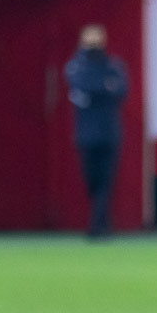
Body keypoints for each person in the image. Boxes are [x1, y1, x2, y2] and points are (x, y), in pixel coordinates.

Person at [64, 24, 127, 238]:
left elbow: (120, 89)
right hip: (86, 134)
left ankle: (96, 226)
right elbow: (82, 83)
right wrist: (103, 86)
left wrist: (97, 89)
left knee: (105, 180)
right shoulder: (76, 66)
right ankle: (104, 222)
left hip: (109, 132)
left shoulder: (112, 64)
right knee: (92, 180)